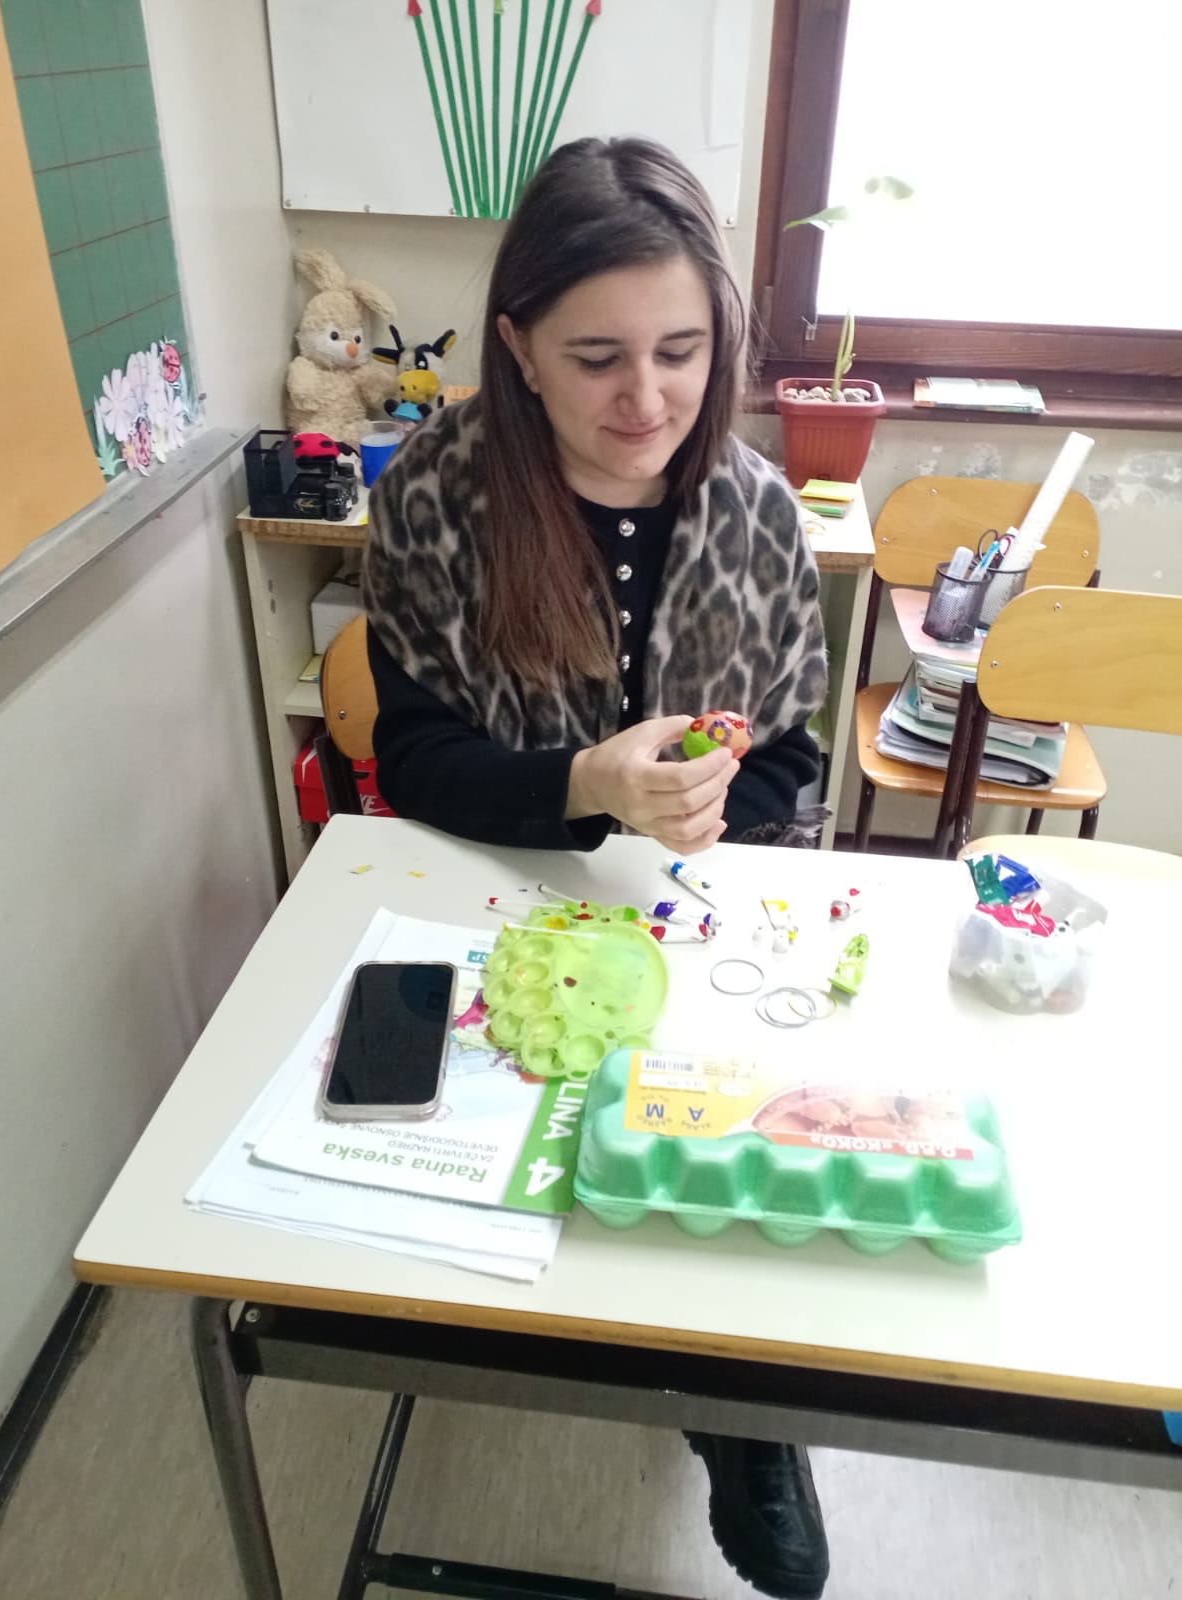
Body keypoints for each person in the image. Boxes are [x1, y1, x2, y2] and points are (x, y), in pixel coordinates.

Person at [362, 137, 830, 1600]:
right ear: (516, 347)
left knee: (729, 1163)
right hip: (499, 891)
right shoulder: (434, 500)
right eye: (597, 358)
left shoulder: (755, 509)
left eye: (681, 352)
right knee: (493, 1188)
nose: (648, 401)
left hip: (701, 910)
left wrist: (708, 816)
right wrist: (585, 787)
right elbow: (416, 762)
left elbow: (794, 754)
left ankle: (746, 1415)